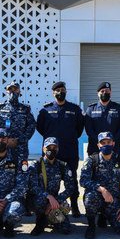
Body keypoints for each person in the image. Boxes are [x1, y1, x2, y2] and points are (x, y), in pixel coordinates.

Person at [36, 81, 85, 217]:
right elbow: (40, 128)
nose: (60, 92)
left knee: (71, 179)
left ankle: (75, 206)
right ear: (53, 93)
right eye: (57, 90)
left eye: (62, 89)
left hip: (69, 151)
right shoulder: (45, 110)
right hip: (52, 153)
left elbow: (79, 129)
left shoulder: (74, 110)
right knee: (48, 180)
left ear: (66, 92)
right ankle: (48, 206)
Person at [80, 132, 120, 239]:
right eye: (103, 143)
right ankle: (91, 225)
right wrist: (102, 190)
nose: (106, 145)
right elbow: (83, 180)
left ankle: (105, 216)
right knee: (90, 196)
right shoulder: (92, 160)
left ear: (113, 143)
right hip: (97, 198)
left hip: (113, 201)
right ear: (98, 145)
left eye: (108, 142)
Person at [28, 137, 77, 235]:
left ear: (58, 149)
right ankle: (40, 222)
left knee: (65, 229)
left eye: (54, 148)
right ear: (43, 149)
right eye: (48, 147)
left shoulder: (61, 165)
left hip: (54, 202)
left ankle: (51, 218)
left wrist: (57, 200)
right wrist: (48, 196)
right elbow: (32, 186)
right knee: (40, 200)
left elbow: (70, 187)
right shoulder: (36, 165)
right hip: (39, 199)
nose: (51, 150)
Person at [0, 81, 36, 163]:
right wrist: (2, 139)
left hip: (20, 147)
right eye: (10, 90)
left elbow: (31, 126)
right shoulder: (0, 108)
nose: (13, 92)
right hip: (3, 147)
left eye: (15, 90)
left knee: (22, 172)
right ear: (6, 92)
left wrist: (19, 140)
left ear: (19, 92)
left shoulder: (25, 109)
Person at [84, 81, 120, 156]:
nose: (104, 93)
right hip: (95, 148)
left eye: (107, 91)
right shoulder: (91, 109)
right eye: (102, 91)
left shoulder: (118, 108)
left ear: (111, 92)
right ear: (98, 93)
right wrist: (100, 142)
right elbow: (89, 129)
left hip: (113, 147)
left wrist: (111, 141)